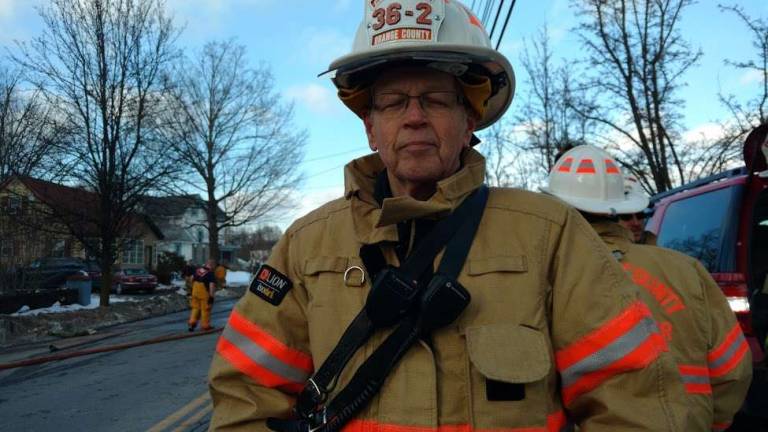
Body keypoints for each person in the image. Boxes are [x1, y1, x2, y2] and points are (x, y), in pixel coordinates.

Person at [208, 2, 686, 430]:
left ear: (469, 120)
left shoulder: (551, 234)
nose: (414, 117)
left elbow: (635, 400)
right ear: (371, 127)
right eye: (393, 102)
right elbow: (246, 398)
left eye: (435, 99)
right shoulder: (305, 246)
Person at [542, 144, 753, 431]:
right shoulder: (686, 270)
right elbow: (733, 369)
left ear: (556, 207)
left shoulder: (549, 276)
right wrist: (710, 421)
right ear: (621, 207)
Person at [188, 258, 216, 332]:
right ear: (212, 265)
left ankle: (192, 322)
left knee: (195, 308)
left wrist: (191, 288)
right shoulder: (210, 273)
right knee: (205, 309)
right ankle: (205, 325)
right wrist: (211, 296)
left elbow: (191, 278)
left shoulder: (198, 270)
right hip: (204, 293)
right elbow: (211, 285)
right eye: (214, 265)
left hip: (195, 292)